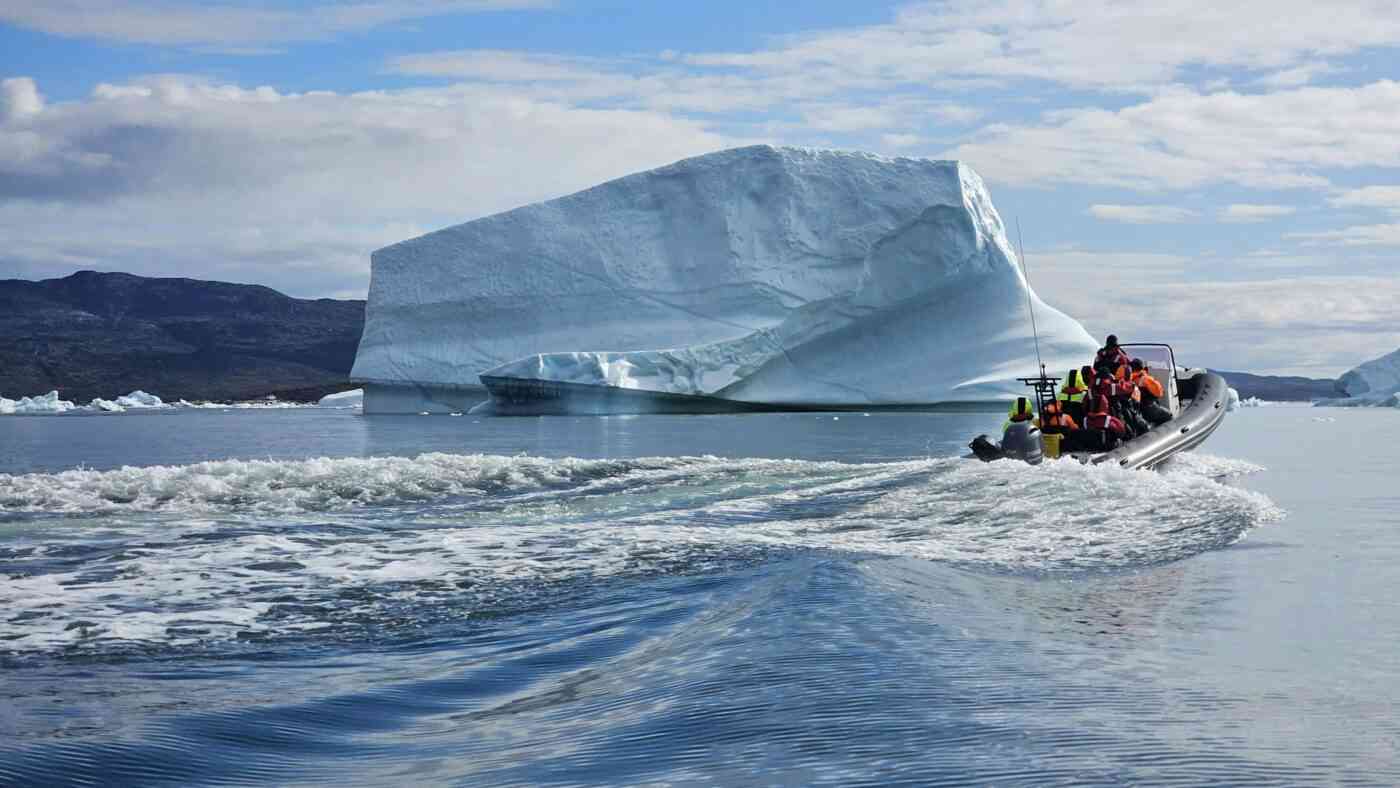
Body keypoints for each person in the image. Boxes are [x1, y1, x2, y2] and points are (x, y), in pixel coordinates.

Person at [1130, 358, 1173, 426]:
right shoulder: (1146, 378)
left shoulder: (1128, 378)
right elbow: (1159, 393)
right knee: (1169, 415)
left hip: (1137, 410)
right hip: (1148, 408)